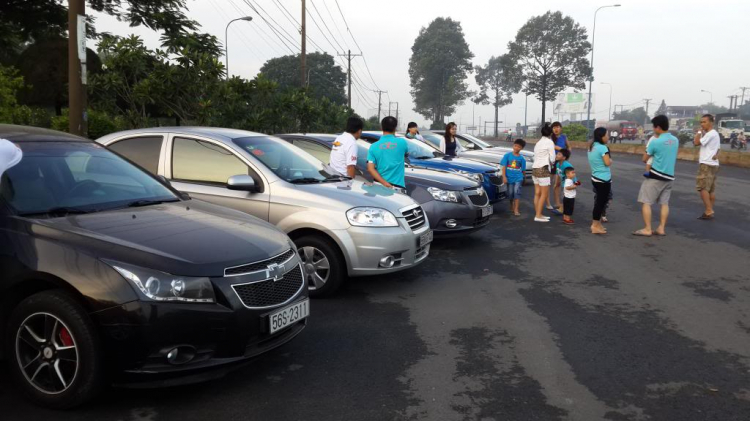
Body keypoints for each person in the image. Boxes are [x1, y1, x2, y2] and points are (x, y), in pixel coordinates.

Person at [633, 115, 679, 237]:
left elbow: (645, 159)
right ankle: (661, 228)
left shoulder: (656, 141)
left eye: (654, 127)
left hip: (656, 176)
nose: (653, 129)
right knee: (664, 203)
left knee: (646, 202)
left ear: (658, 127)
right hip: (669, 177)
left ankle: (648, 229)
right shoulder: (675, 140)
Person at [367, 116, 409, 190]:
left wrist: (385, 183)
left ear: (381, 127)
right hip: (397, 186)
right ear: (395, 127)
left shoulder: (373, 146)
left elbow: (370, 169)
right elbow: (406, 153)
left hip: (379, 186)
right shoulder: (402, 142)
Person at [693, 114, 720, 220]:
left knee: (703, 188)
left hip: (706, 164)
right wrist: (716, 155)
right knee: (710, 190)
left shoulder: (710, 134)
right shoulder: (715, 134)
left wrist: (699, 132)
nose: (702, 124)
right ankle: (708, 211)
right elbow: (718, 149)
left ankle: (709, 210)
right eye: (701, 122)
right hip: (714, 164)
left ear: (711, 122)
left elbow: (696, 142)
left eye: (704, 122)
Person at [588, 127, 612, 234]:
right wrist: (611, 160)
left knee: (599, 202)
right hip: (603, 180)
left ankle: (598, 225)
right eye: (607, 135)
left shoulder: (592, 147)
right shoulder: (603, 148)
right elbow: (607, 162)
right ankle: (594, 225)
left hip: (595, 177)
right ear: (601, 136)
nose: (608, 137)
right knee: (600, 203)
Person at [532, 123, 557, 222]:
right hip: (544, 168)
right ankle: (538, 215)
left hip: (535, 168)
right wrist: (553, 162)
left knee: (537, 193)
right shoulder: (550, 142)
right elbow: (552, 158)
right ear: (550, 133)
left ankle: (538, 214)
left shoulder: (538, 142)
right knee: (544, 194)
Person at [501, 139, 527, 217]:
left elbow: (523, 170)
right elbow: (504, 167)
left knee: (517, 192)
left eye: (519, 147)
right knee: (510, 193)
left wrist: (524, 178)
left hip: (518, 178)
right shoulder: (507, 155)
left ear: (521, 148)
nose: (516, 148)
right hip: (509, 178)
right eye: (515, 146)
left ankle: (516, 209)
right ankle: (511, 204)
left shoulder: (522, 159)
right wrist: (504, 177)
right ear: (513, 146)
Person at [552, 148, 573, 214]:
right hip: (564, 182)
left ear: (564, 157)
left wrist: (570, 185)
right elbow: (558, 173)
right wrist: (556, 183)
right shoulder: (558, 164)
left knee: (566, 196)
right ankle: (561, 206)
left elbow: (572, 176)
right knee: (565, 196)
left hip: (569, 183)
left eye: (559, 154)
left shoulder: (567, 165)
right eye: (557, 154)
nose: (557, 155)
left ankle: (562, 209)